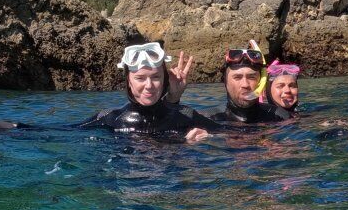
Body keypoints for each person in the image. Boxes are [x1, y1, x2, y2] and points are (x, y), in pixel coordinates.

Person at [76, 42, 215, 143]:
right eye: (140, 78)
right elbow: (63, 134)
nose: (149, 86)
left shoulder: (185, 115)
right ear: (128, 81)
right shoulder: (109, 118)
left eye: (156, 77)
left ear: (164, 79)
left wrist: (204, 138)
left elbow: (231, 135)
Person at [205, 46, 288, 126]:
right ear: (225, 82)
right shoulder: (207, 119)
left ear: (261, 81)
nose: (245, 84)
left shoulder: (280, 117)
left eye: (251, 77)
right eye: (237, 77)